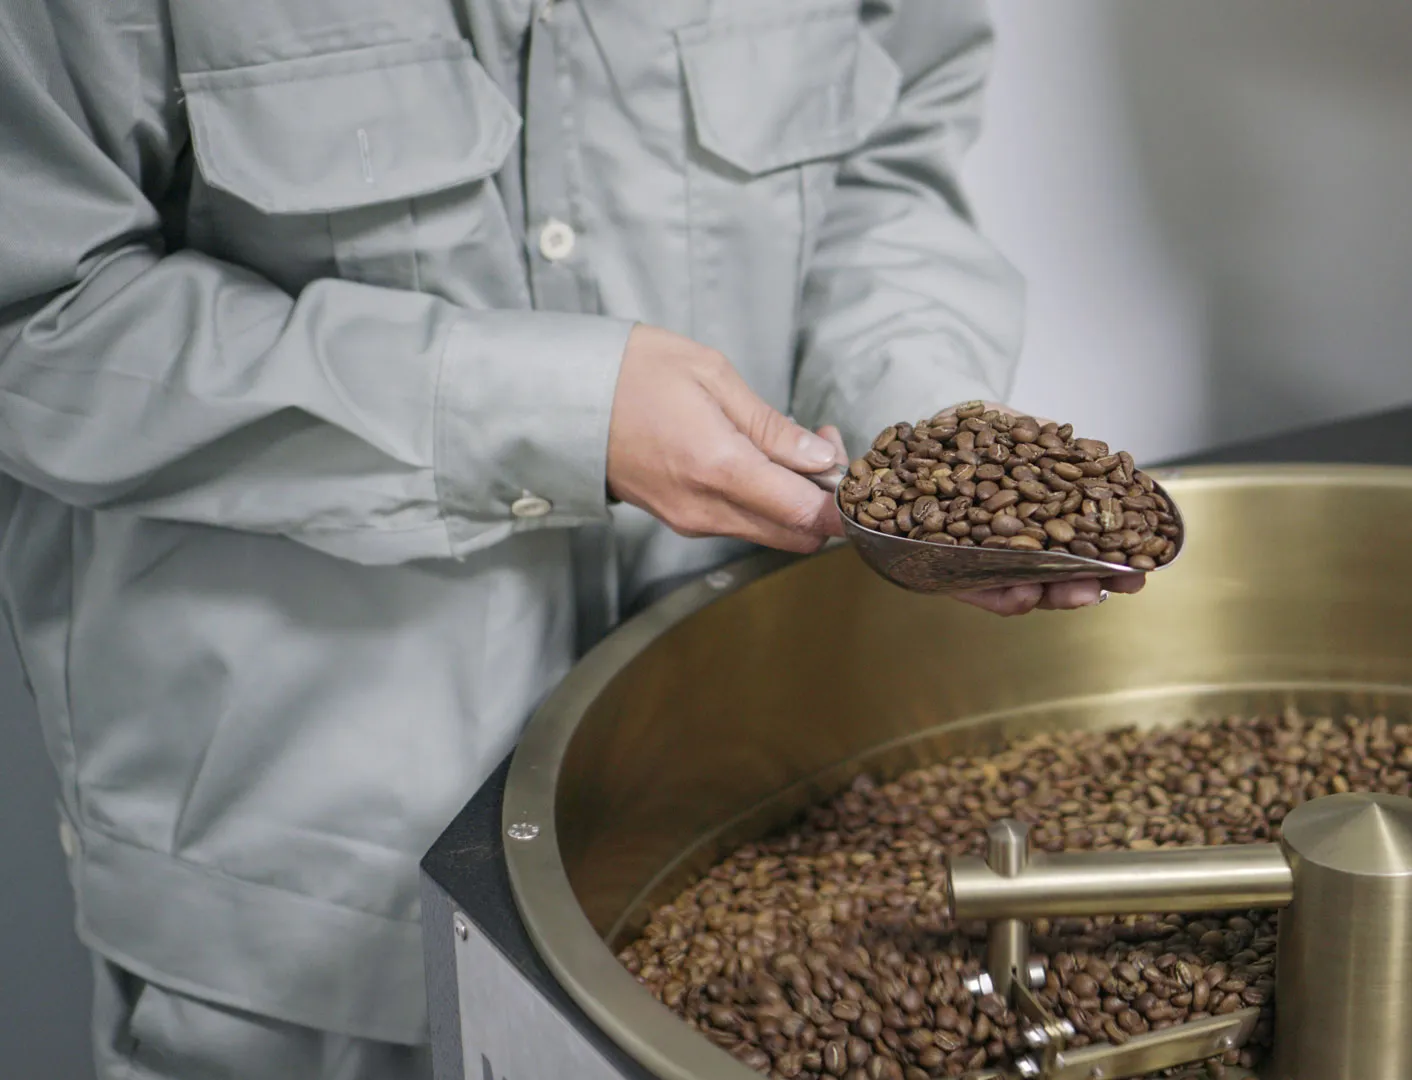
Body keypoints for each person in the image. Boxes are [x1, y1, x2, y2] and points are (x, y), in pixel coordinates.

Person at [0, 1, 1144, 1076]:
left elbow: (888, 164)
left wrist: (922, 445)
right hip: (304, 922)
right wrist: (551, 416)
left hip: (734, 834)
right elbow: (40, 319)